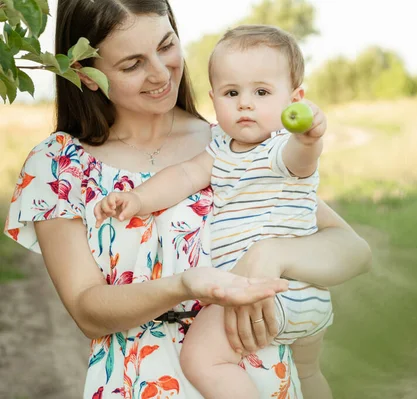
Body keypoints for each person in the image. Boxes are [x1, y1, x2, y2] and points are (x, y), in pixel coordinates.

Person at [3, 1, 371, 398]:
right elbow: (88, 311)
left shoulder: (235, 143)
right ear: (87, 75)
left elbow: (354, 251)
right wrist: (185, 286)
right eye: (132, 64)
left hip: (263, 381)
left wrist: (273, 254)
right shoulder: (59, 167)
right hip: (139, 384)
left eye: (166, 46)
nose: (161, 74)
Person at [93, 24, 332, 399]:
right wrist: (137, 199)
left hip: (268, 291)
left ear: (294, 100)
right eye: (232, 92)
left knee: (203, 359)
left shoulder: (281, 148)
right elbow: (184, 176)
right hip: (306, 298)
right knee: (309, 374)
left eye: (262, 92)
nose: (245, 103)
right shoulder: (222, 149)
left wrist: (308, 138)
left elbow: (301, 163)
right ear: (214, 99)